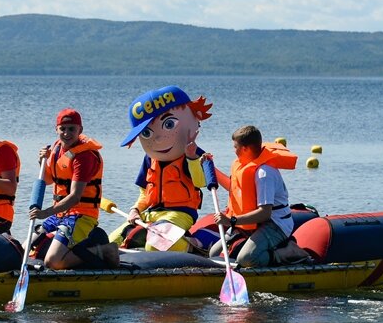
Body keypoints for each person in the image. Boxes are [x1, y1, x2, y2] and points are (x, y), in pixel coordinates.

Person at [111, 85, 213, 251]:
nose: (158, 139)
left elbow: (201, 182)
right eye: (147, 133)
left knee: (155, 246)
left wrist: (192, 157)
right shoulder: (150, 159)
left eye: (169, 124)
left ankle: (192, 247)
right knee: (112, 243)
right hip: (151, 214)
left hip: (179, 214)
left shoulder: (195, 155)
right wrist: (135, 210)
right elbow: (145, 193)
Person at [29, 108, 119, 270]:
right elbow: (49, 180)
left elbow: (75, 197)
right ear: (56, 129)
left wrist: (44, 213)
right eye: (62, 129)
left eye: (72, 129)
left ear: (80, 130)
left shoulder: (84, 157)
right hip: (60, 214)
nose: (66, 133)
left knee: (53, 262)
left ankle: (106, 250)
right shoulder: (56, 148)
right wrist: (42, 161)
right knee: (26, 249)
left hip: (82, 215)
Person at [210, 125, 306, 266]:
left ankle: (287, 253)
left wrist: (231, 221)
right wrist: (210, 167)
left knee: (246, 259)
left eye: (235, 147)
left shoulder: (264, 173)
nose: (233, 150)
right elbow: (233, 188)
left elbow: (265, 214)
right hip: (252, 223)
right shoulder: (246, 165)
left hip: (275, 224)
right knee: (214, 254)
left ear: (245, 149)